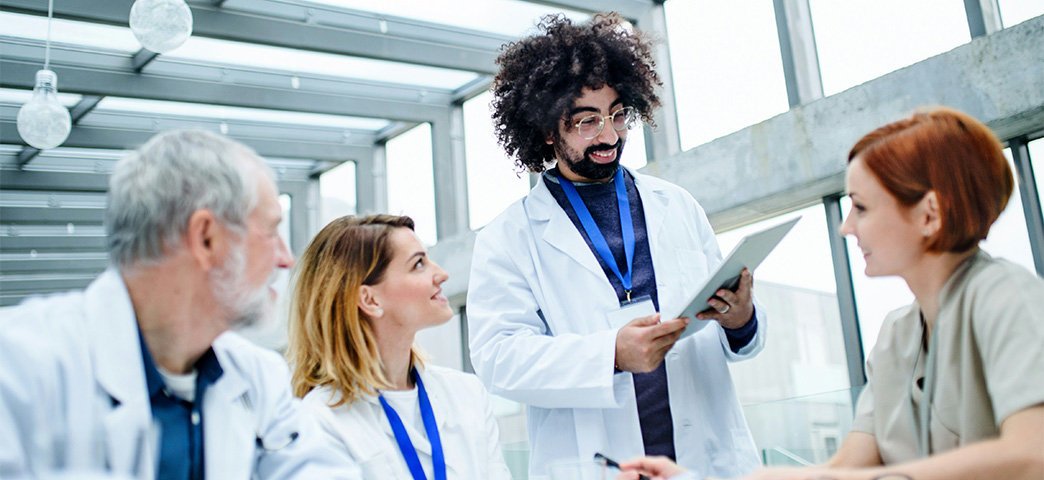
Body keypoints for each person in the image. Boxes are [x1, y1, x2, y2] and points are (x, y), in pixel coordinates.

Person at [618, 108, 1044, 480]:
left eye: (861, 207)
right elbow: (843, 470)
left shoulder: (1007, 298)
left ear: (929, 214)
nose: (846, 226)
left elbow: (1032, 457)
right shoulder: (897, 335)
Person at [466, 13, 768, 479]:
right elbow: (498, 360)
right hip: (599, 463)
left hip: (705, 460)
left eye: (618, 115)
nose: (609, 136)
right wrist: (609, 354)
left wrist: (740, 318)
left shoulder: (677, 205)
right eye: (587, 121)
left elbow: (738, 339)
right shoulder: (508, 238)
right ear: (547, 130)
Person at [0, 129, 360, 479]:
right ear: (206, 238)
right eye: (270, 231)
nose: (286, 259)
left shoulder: (257, 376)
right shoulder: (18, 365)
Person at [287, 214, 511, 480]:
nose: (442, 274)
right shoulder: (319, 421)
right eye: (418, 264)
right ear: (370, 300)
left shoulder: (468, 394)